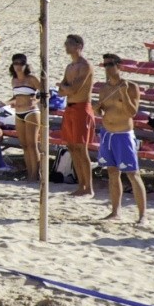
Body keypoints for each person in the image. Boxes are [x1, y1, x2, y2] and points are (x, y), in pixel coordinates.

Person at [98, 54, 146, 225]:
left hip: (123, 134)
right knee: (112, 172)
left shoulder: (130, 87)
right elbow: (102, 109)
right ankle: (115, 211)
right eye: (105, 65)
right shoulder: (104, 88)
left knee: (133, 174)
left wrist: (124, 94)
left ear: (119, 66)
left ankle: (142, 215)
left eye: (110, 64)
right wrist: (97, 110)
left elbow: (132, 112)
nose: (107, 68)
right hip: (107, 133)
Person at [56, 34, 97, 198]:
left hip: (81, 107)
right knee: (72, 147)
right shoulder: (70, 66)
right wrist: (65, 88)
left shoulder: (85, 65)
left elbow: (74, 89)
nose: (66, 46)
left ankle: (89, 187)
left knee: (81, 148)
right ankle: (81, 185)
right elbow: (61, 91)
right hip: (70, 107)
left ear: (79, 46)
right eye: (66, 43)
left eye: (69, 44)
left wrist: (64, 87)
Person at [8, 53, 47, 179]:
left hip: (31, 112)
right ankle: (30, 173)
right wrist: (6, 103)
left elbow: (46, 93)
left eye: (21, 63)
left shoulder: (31, 79)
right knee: (24, 145)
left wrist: (35, 101)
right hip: (18, 113)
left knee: (32, 144)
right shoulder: (14, 80)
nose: (18, 66)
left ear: (26, 65)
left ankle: (35, 174)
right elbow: (15, 97)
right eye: (16, 63)